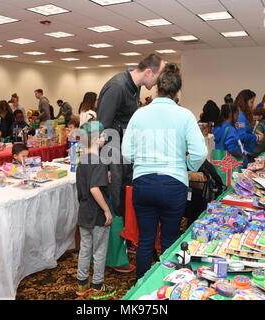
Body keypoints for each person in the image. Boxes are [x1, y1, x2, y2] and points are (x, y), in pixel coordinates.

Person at [122, 63, 208, 279]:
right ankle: (169, 286)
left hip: (143, 183)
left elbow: (126, 152)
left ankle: (141, 287)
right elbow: (199, 152)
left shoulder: (139, 114)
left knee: (145, 240)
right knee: (170, 240)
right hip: (173, 184)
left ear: (157, 88)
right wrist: (187, 166)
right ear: (178, 91)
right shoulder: (185, 115)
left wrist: (142, 162)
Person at [97, 53, 166, 273]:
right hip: (113, 155)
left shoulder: (134, 86)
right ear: (148, 72)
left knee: (126, 201)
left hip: (124, 154)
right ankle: (115, 258)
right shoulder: (117, 87)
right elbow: (103, 127)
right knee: (116, 204)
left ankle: (125, 247)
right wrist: (106, 167)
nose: (157, 83)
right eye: (157, 77)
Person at [75, 121, 116, 298]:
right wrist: (107, 210)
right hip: (97, 214)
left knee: (85, 250)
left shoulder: (82, 161)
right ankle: (98, 286)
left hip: (84, 213)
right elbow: (94, 188)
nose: (103, 139)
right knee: (99, 251)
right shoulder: (98, 161)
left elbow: (88, 183)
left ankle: (82, 285)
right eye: (100, 136)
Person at [234, 89, 264, 162]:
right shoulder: (240, 116)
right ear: (244, 102)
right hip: (243, 153)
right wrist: (257, 137)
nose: (252, 105)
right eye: (251, 102)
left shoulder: (239, 114)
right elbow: (241, 136)